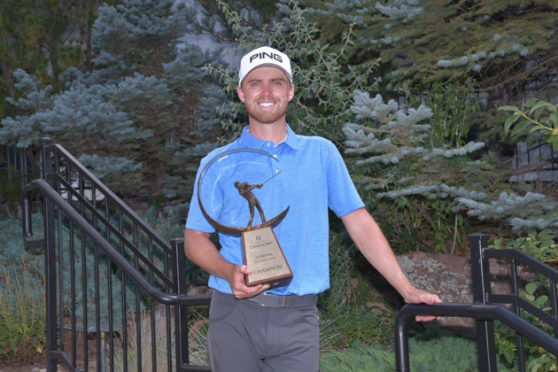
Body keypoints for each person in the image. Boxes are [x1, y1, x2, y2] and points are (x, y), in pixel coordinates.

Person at [184, 46, 441, 372]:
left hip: (298, 318)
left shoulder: (322, 154)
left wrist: (406, 288)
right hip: (233, 315)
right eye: (254, 83)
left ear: (290, 91)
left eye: (276, 82)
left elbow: (359, 224)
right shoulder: (216, 164)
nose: (266, 91)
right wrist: (228, 272)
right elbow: (195, 238)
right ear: (240, 93)